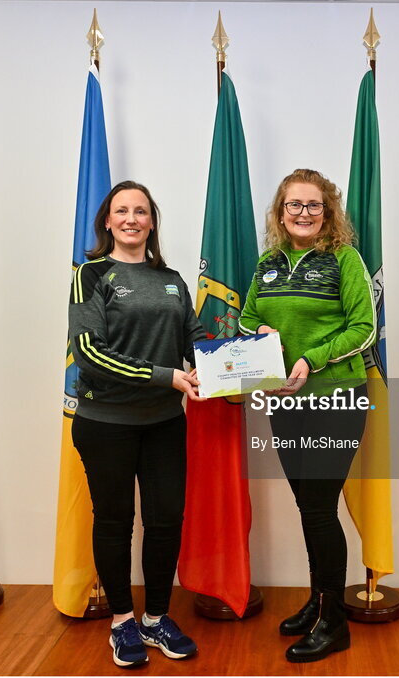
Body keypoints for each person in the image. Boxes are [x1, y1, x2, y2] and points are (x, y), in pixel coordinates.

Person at [239, 169, 376, 663]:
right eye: (293, 205)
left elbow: (364, 329)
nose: (302, 213)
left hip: (334, 398)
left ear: (328, 211)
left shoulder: (344, 259)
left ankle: (334, 622)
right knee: (308, 506)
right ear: (280, 212)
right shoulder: (268, 263)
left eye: (313, 205)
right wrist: (263, 340)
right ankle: (320, 602)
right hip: (284, 399)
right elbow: (246, 316)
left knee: (318, 508)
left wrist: (309, 359)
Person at [68, 180, 206, 668]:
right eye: (121, 211)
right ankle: (123, 621)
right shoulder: (91, 275)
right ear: (107, 221)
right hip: (105, 422)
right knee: (114, 521)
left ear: (152, 221)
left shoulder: (171, 279)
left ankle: (156, 619)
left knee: (166, 520)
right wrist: (164, 376)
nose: (131, 219)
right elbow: (88, 351)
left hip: (165, 422)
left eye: (141, 211)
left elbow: (198, 340)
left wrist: (252, 352)